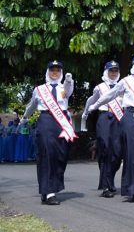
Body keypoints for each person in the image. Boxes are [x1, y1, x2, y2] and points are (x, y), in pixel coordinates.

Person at [88, 53, 134, 203]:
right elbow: (110, 95)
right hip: (131, 115)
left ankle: (133, 182)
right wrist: (95, 105)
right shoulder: (127, 81)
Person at [23, 60, 77, 205]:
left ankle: (51, 187)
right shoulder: (40, 89)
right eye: (52, 70)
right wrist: (25, 117)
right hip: (46, 120)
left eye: (58, 70)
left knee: (61, 155)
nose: (55, 72)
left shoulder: (64, 87)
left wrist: (68, 81)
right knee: (47, 154)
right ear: (48, 72)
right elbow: (32, 105)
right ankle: (48, 192)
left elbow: (68, 90)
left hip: (62, 122)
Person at [82, 60, 123, 198]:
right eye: (111, 70)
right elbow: (91, 100)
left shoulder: (123, 85)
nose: (113, 73)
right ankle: (106, 185)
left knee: (117, 152)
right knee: (105, 149)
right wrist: (86, 112)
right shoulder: (100, 87)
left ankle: (109, 178)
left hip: (118, 119)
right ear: (106, 72)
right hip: (104, 118)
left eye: (116, 70)